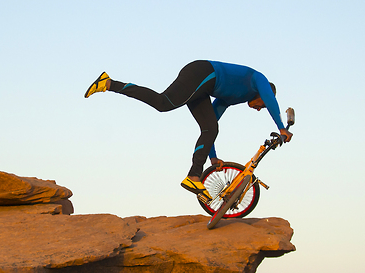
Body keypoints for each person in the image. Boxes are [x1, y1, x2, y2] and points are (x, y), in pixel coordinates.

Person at [84, 60, 292, 202]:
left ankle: (194, 175)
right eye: (262, 105)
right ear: (264, 96)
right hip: (203, 72)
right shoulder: (260, 80)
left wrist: (213, 157)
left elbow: (210, 128)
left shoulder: (232, 97)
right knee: (163, 103)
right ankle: (109, 83)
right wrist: (281, 128)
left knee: (210, 128)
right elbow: (271, 100)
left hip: (205, 86)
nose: (258, 109)